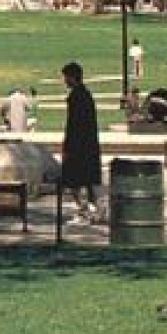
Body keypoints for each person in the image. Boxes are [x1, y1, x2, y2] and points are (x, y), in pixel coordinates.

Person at [60, 61, 103, 224]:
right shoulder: (86, 94)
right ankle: (94, 208)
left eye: (66, 77)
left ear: (72, 77)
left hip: (78, 146)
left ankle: (84, 210)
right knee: (88, 179)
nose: (64, 81)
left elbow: (72, 124)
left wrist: (67, 147)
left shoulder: (75, 97)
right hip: (89, 144)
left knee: (73, 180)